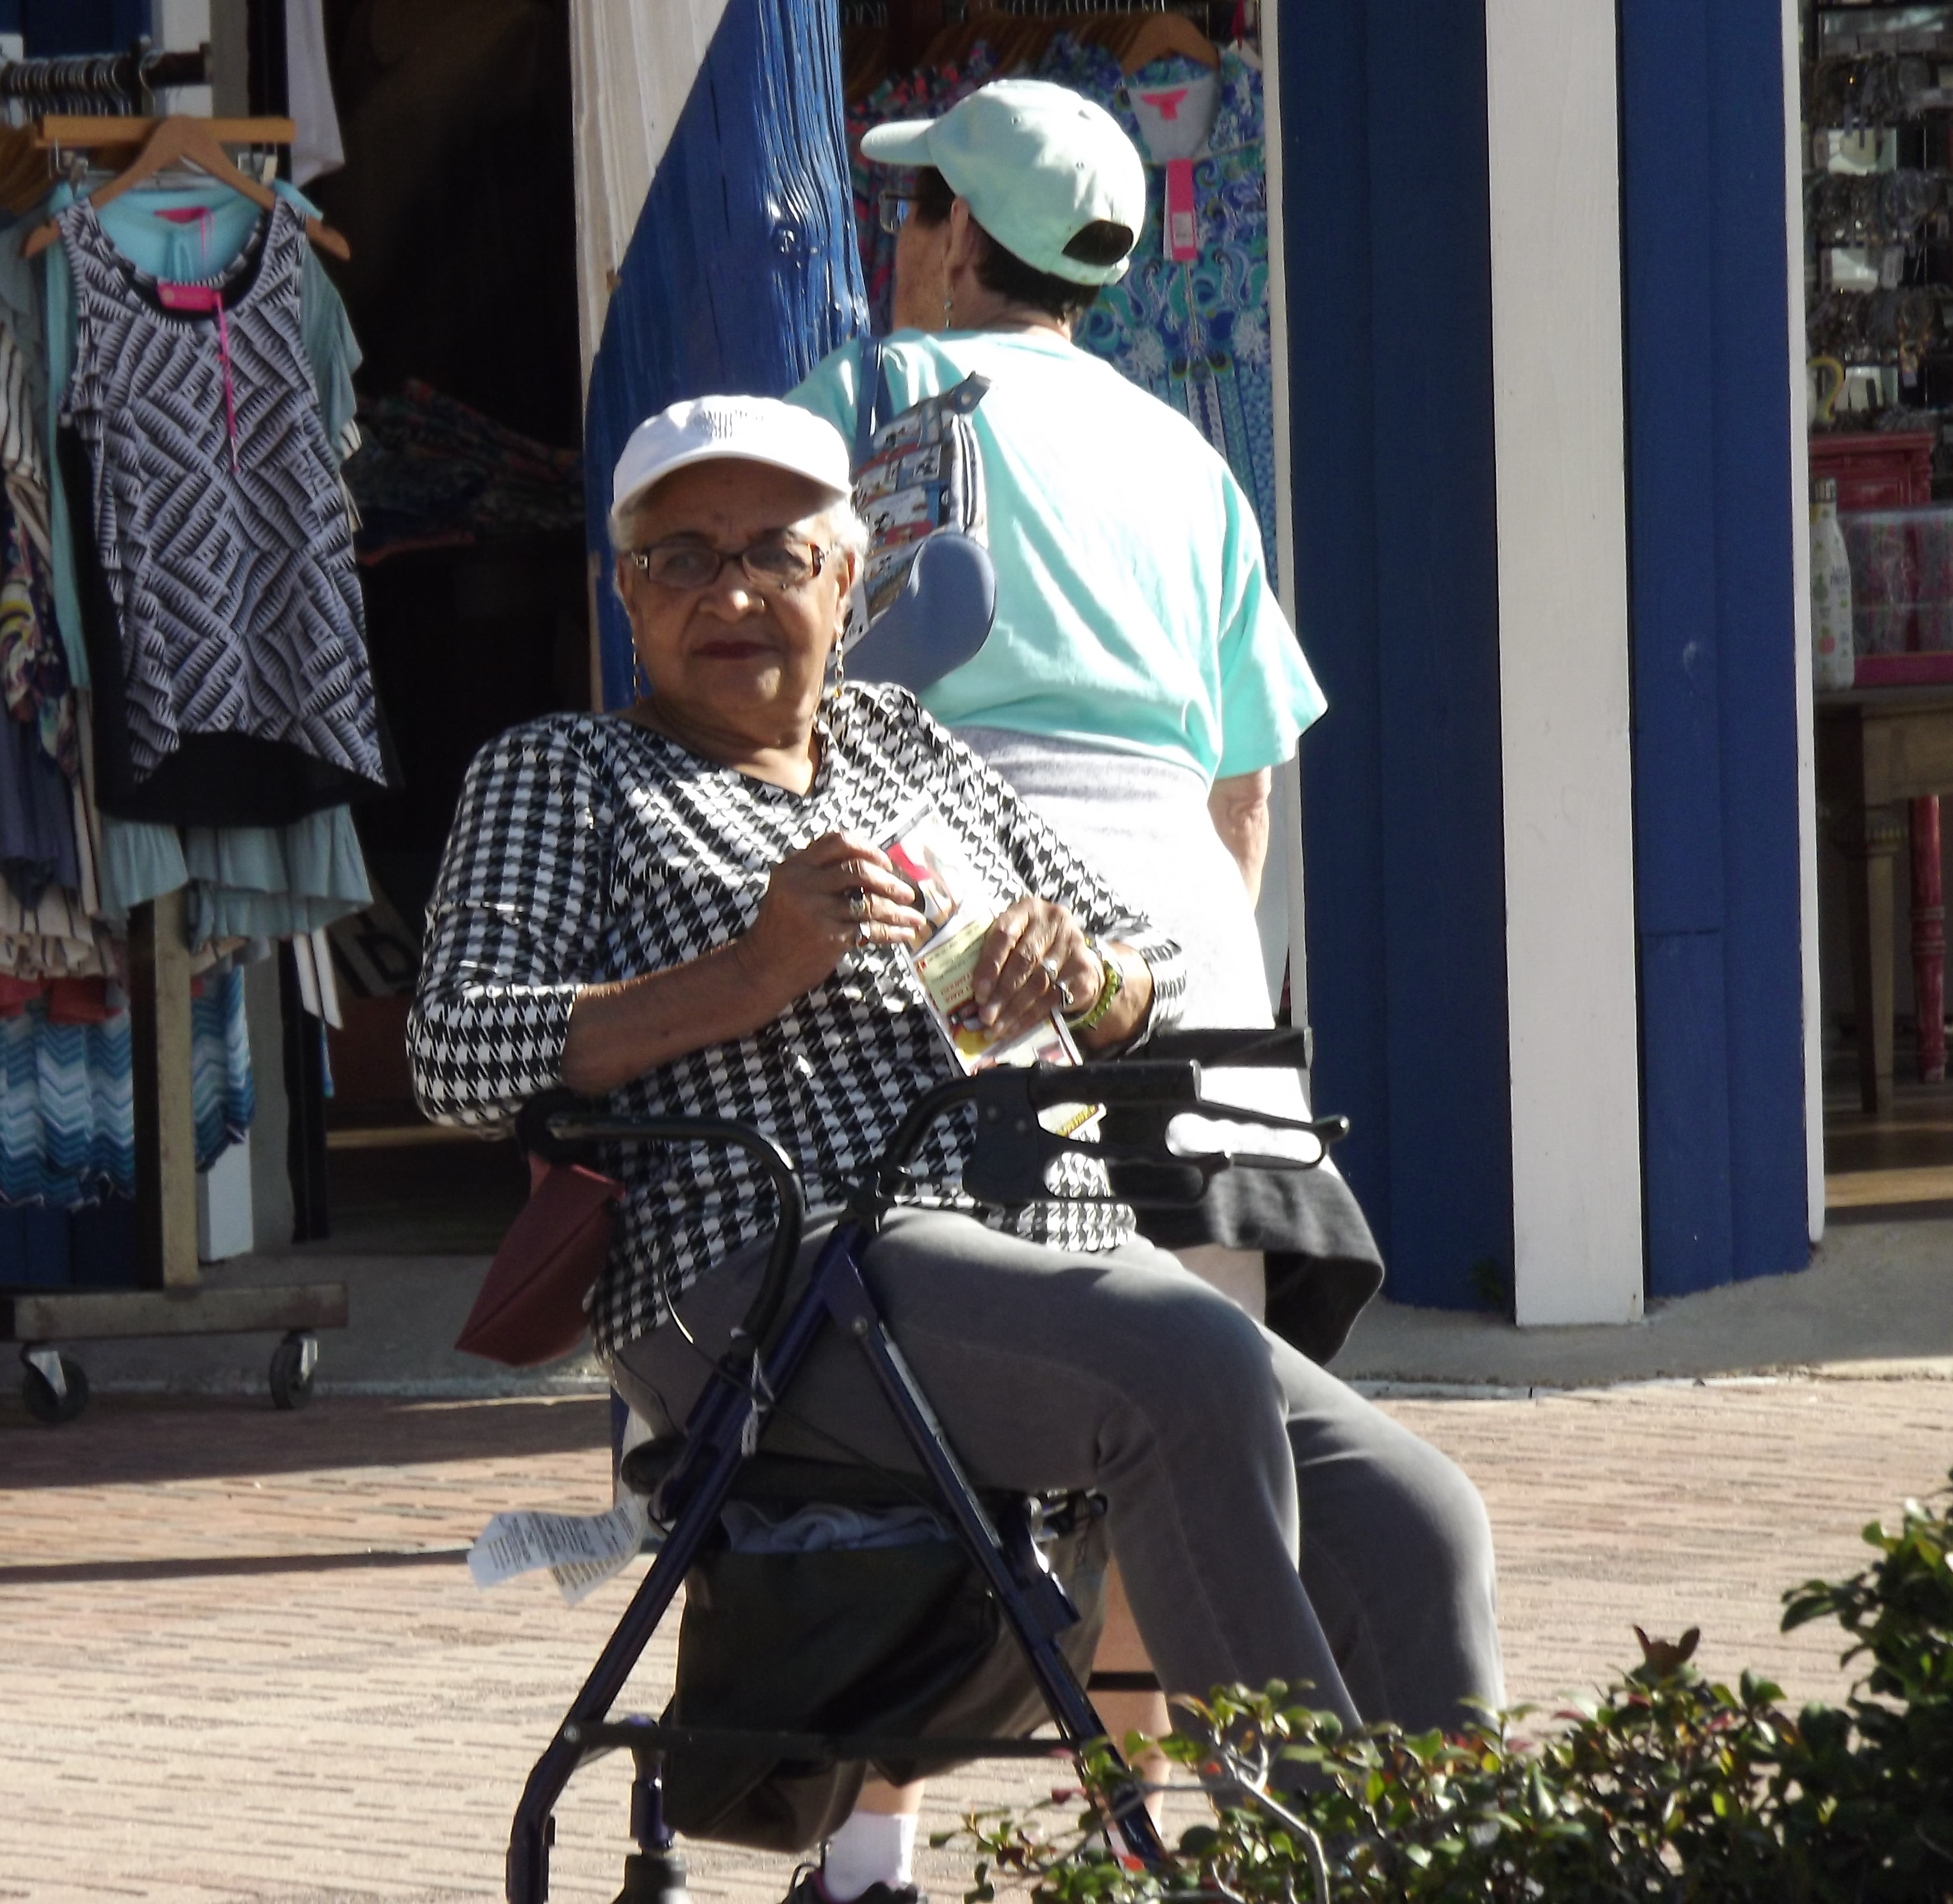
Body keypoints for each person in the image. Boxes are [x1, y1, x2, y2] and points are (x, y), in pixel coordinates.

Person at [406, 397, 1502, 1904]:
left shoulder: (902, 743)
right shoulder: (564, 776)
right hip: (766, 1273)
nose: (730, 592)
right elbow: (455, 1050)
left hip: (1030, 1247)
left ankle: (1458, 1875)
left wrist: (1080, 968)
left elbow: (1144, 976)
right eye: (680, 557)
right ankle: (1306, 1870)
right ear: (625, 594)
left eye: (773, 554)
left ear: (845, 582)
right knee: (1176, 1360)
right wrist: (745, 973)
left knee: (1412, 1513)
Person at [786, 79, 1331, 1324]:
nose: (899, 245)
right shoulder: (1191, 465)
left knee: (988, 1372)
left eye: (915, 212)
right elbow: (1241, 800)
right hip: (1183, 956)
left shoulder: (867, 396)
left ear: (964, 237)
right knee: (1214, 1397)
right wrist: (1155, 977)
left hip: (970, 947)